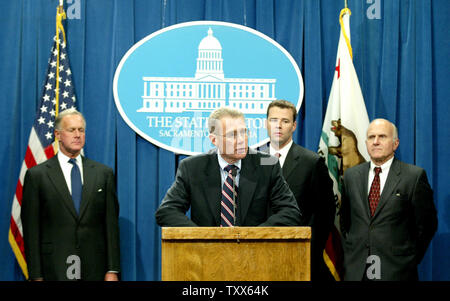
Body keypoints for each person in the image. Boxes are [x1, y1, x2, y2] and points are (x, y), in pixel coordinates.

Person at [155, 107, 303, 227]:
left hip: (254, 254)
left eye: (244, 132)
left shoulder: (267, 165)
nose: (241, 141)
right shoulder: (193, 168)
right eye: (232, 135)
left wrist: (254, 237)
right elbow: (167, 212)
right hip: (206, 254)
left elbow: (290, 211)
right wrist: (202, 238)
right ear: (214, 140)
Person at [21, 108, 120, 281]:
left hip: (94, 268)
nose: (77, 135)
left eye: (81, 130)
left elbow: (110, 225)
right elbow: (31, 230)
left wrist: (112, 270)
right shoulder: (37, 176)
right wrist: (36, 275)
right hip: (54, 267)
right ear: (58, 134)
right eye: (71, 130)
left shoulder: (103, 173)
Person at [340, 118, 437, 281]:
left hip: (396, 271)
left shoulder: (413, 177)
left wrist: (407, 259)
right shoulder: (351, 176)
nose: (376, 142)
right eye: (371, 137)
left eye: (382, 137)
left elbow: (426, 225)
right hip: (357, 270)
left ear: (395, 143)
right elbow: (345, 222)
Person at [260, 99, 335, 281]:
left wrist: (308, 249)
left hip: (299, 254)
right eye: (273, 120)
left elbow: (325, 213)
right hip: (259, 252)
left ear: (294, 126)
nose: (278, 125)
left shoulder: (311, 162)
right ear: (265, 123)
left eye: (285, 121)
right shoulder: (252, 161)